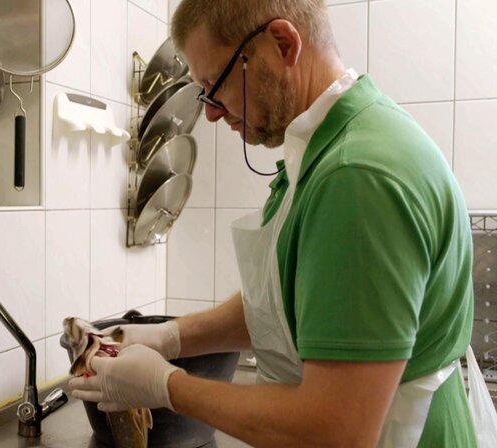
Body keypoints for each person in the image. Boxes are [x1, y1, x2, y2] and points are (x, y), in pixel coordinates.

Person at [70, 1, 482, 446]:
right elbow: (291, 303)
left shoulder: (356, 177)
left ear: (283, 44)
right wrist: (167, 338)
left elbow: (335, 431)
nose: (210, 112)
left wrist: (167, 386)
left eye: (215, 84)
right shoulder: (332, 147)